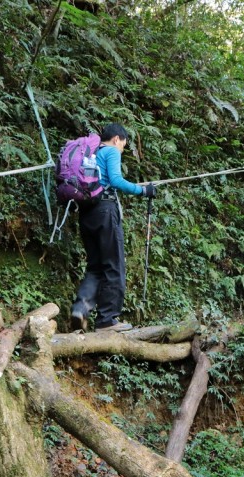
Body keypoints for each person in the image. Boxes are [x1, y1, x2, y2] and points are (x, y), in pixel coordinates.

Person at [70, 124, 157, 332]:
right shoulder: (110, 151)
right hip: (105, 212)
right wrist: (143, 191)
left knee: (95, 266)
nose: (122, 149)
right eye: (124, 145)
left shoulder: (90, 153)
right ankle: (107, 320)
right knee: (114, 265)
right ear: (117, 139)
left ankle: (80, 309)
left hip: (86, 212)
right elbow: (117, 181)